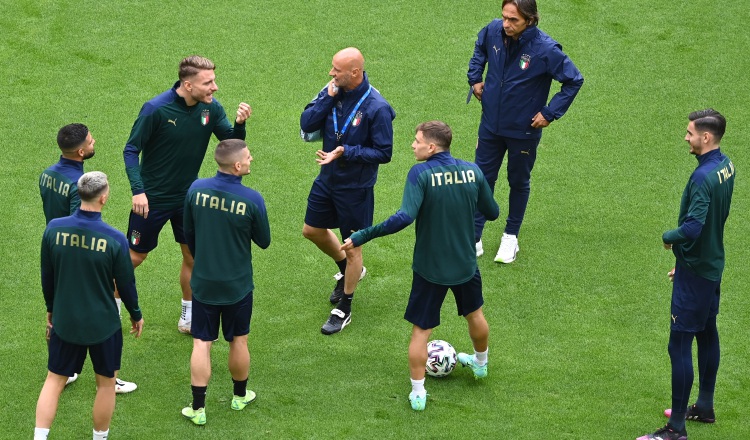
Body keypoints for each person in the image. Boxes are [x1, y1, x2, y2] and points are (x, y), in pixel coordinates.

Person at [342, 121, 499, 411]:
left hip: (430, 269)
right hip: (465, 264)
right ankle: (480, 364)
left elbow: (404, 217)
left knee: (421, 331)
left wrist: (363, 235)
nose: (412, 145)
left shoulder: (421, 173)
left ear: (432, 146)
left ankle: (418, 393)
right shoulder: (473, 171)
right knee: (475, 314)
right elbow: (493, 211)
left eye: (416, 141)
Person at [123, 55, 252, 334]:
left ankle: (188, 315)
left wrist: (240, 124)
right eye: (208, 82)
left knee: (192, 256)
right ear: (188, 84)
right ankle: (108, 306)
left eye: (214, 81)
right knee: (134, 257)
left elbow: (231, 145)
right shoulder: (155, 109)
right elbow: (131, 150)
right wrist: (138, 191)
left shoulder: (211, 109)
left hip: (187, 199)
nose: (215, 87)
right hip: (152, 200)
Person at [636, 109, 735, 440]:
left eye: (690, 132)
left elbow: (692, 227)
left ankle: (676, 428)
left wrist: (669, 238)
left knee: (678, 345)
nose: (686, 137)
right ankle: (704, 407)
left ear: (706, 137)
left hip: (696, 274)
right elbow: (712, 222)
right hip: (711, 264)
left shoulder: (702, 178)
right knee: (708, 332)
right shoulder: (726, 166)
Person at [467, 0, 583, 263]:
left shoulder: (545, 49)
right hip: (490, 125)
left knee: (517, 181)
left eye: (513, 20)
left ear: (530, 20)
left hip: (523, 131)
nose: (506, 24)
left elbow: (573, 80)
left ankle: (511, 236)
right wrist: (475, 78)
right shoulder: (493, 30)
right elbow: (480, 47)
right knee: (482, 179)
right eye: (504, 17)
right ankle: (474, 236)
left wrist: (549, 113)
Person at [35, 172, 144, 440]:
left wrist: (51, 309)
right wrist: (135, 314)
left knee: (54, 380)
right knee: (106, 385)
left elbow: (47, 276)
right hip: (103, 325)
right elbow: (126, 284)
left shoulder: (54, 229)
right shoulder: (114, 238)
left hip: (65, 320)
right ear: (104, 198)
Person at [299, 47, 395, 335]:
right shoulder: (332, 92)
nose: (331, 73)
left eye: (336, 70)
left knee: (353, 246)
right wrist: (326, 100)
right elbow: (306, 124)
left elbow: (384, 152)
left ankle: (345, 307)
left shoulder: (377, 107)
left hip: (356, 187)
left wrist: (346, 152)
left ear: (355, 72)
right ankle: (346, 269)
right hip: (327, 179)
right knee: (311, 230)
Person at [39, 123, 137, 393]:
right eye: (91, 142)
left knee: (59, 305)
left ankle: (64, 368)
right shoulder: (74, 184)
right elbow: (78, 221)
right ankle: (108, 377)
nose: (95, 143)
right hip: (77, 252)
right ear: (81, 152)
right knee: (94, 308)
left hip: (55, 247)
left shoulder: (46, 175)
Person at [180, 139, 270, 426]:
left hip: (204, 282)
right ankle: (239, 396)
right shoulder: (252, 199)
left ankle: (198, 408)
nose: (251, 158)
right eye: (248, 157)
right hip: (237, 285)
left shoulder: (196, 190)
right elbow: (264, 241)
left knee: (201, 343)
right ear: (237, 165)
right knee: (239, 339)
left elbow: (188, 233)